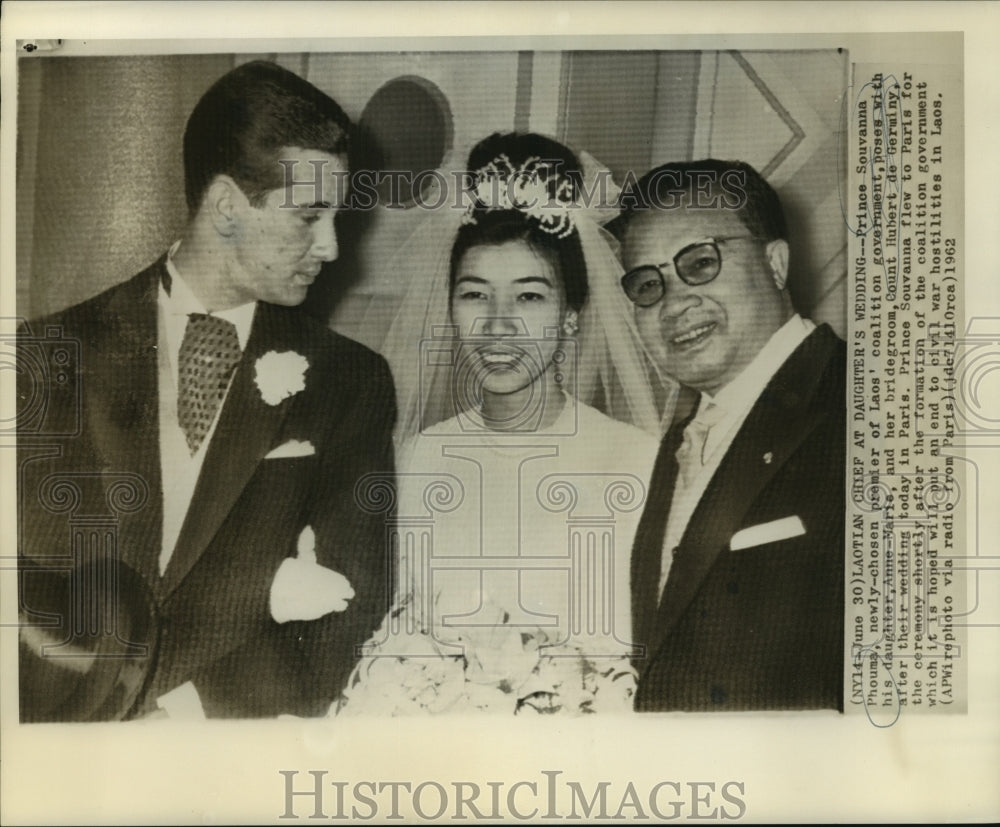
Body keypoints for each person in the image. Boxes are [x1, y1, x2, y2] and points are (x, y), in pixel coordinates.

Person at [16, 60, 396, 720]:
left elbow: (351, 610)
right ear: (224, 207)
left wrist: (185, 714)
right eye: (309, 215)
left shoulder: (350, 382)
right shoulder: (44, 357)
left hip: (226, 751)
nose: (332, 246)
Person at [335, 133, 662, 715]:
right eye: (475, 295)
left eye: (530, 298)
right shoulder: (416, 457)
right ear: (449, 306)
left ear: (569, 316)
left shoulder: (636, 459)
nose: (497, 326)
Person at [614, 159, 845, 711]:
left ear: (776, 263)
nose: (673, 303)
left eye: (700, 262)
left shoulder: (867, 403)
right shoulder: (679, 441)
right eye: (648, 284)